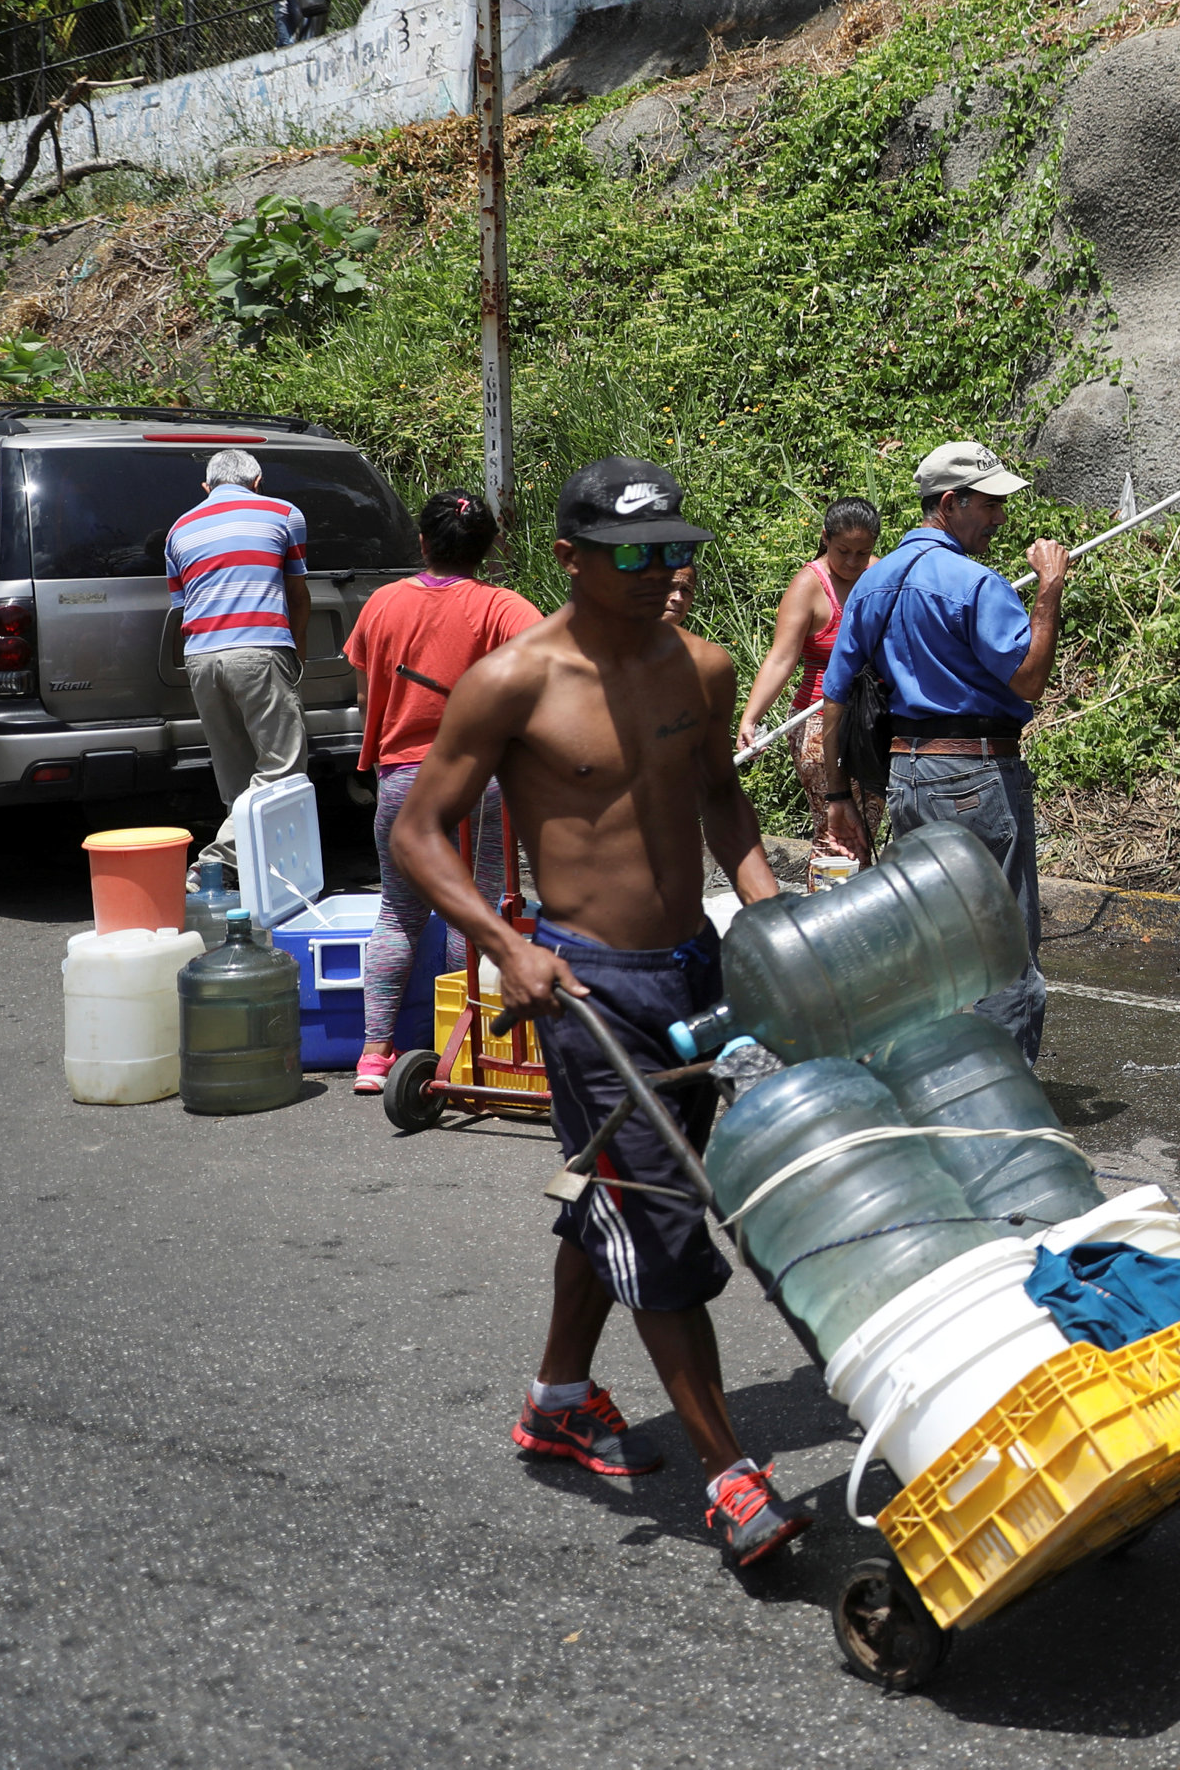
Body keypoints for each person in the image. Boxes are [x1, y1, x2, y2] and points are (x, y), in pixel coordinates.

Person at [392, 457, 809, 1570]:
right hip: (584, 986)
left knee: (620, 1195)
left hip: (695, 970)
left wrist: (772, 924)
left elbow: (721, 796)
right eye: (632, 551)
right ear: (570, 557)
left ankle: (559, 1398)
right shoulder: (513, 682)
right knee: (664, 1216)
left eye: (673, 548)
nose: (657, 570)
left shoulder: (704, 670)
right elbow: (419, 832)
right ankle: (731, 1477)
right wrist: (504, 945)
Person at [817, 442, 1069, 1060]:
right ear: (950, 504)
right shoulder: (973, 583)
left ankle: (931, 1082)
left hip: (908, 779)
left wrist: (837, 796)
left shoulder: (871, 584)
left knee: (933, 946)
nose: (1001, 519)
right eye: (990, 505)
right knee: (1001, 949)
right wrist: (1049, 591)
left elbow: (834, 699)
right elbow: (1030, 680)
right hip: (977, 775)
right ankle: (997, 1103)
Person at [340, 489, 536, 1091]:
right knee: (471, 913)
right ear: (490, 548)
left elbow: (363, 690)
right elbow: (550, 670)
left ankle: (374, 1056)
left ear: (422, 542)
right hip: (482, 782)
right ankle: (468, 1046)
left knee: (398, 914)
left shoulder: (383, 603)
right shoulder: (504, 607)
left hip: (404, 780)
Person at [168, 448, 310, 884]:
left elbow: (181, 608)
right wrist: (294, 657)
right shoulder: (284, 513)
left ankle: (249, 876)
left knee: (234, 774)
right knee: (282, 767)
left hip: (200, 657)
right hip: (259, 648)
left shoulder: (178, 529)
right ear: (258, 479)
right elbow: (297, 594)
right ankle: (214, 861)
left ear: (206, 488)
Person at [739, 499, 884, 862]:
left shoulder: (880, 575)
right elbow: (781, 658)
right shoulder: (808, 585)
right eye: (843, 551)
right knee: (833, 831)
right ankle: (827, 912)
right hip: (817, 721)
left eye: (862, 553)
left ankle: (861, 913)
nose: (853, 562)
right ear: (825, 539)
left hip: (873, 718)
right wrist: (751, 718)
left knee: (866, 834)